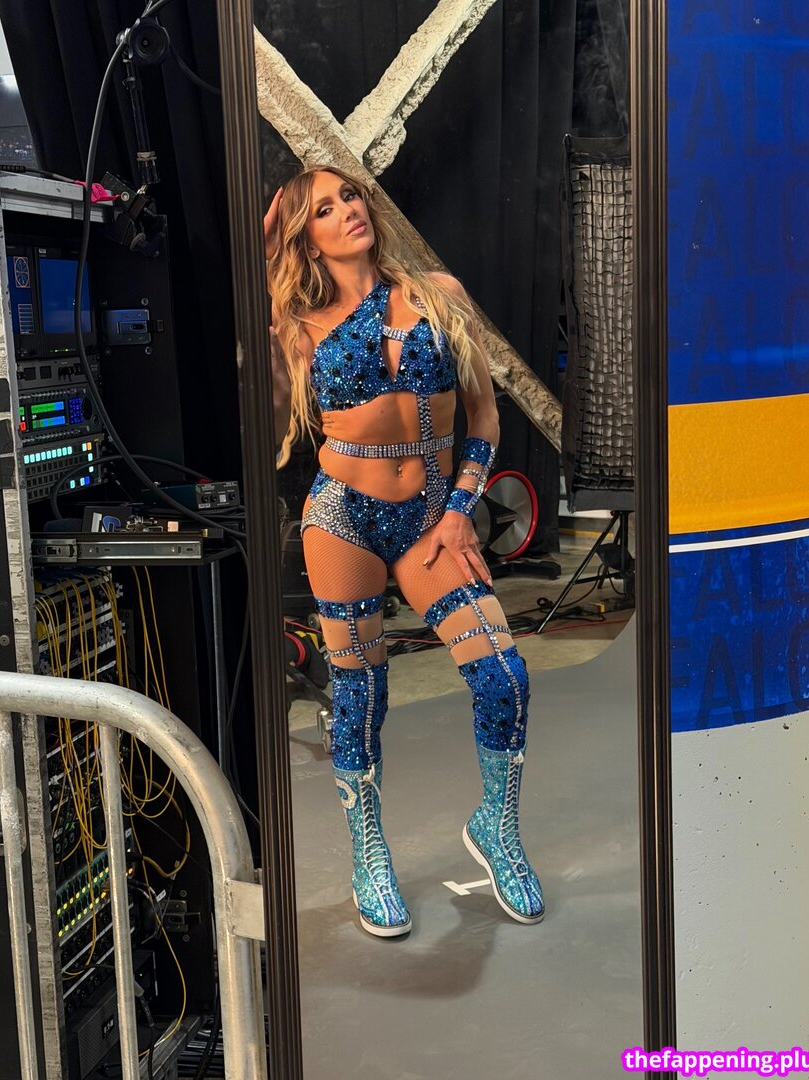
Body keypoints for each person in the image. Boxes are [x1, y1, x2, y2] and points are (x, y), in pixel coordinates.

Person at [266, 165, 543, 936]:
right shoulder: (297, 325)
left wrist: (459, 513)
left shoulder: (437, 294)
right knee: (360, 695)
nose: (347, 211)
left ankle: (497, 829)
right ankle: (368, 852)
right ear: (306, 238)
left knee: (504, 677)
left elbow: (483, 419)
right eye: (323, 209)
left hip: (430, 519)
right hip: (341, 517)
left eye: (350, 196)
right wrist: (264, 249)